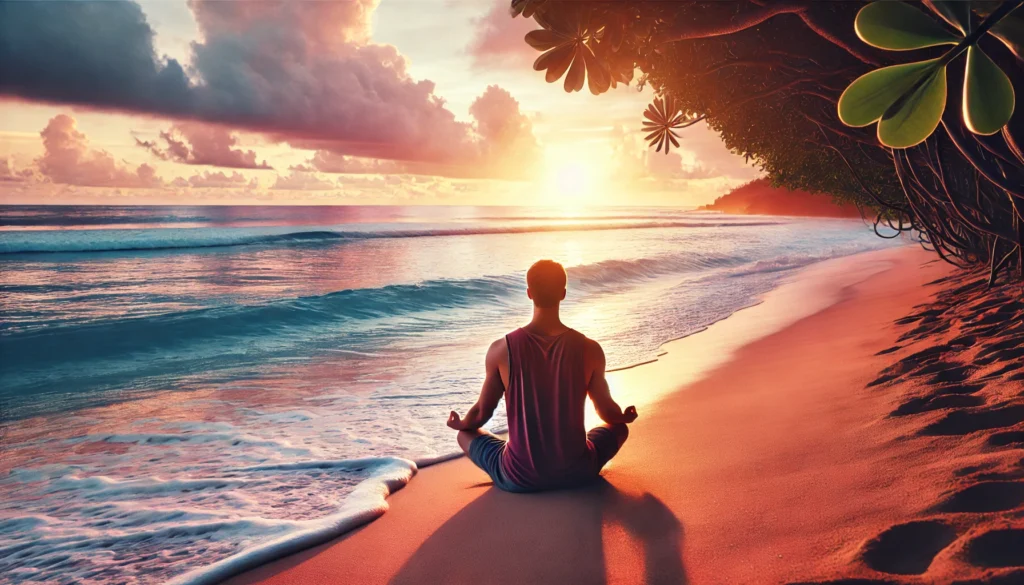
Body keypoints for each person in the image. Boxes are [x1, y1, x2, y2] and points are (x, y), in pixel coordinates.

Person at [447, 259, 638, 493]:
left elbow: (480, 414)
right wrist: (623, 416)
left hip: (518, 478)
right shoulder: (590, 348)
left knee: (465, 436)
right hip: (579, 473)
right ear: (563, 294)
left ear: (528, 293)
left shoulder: (500, 349)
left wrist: (461, 424)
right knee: (618, 430)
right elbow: (606, 411)